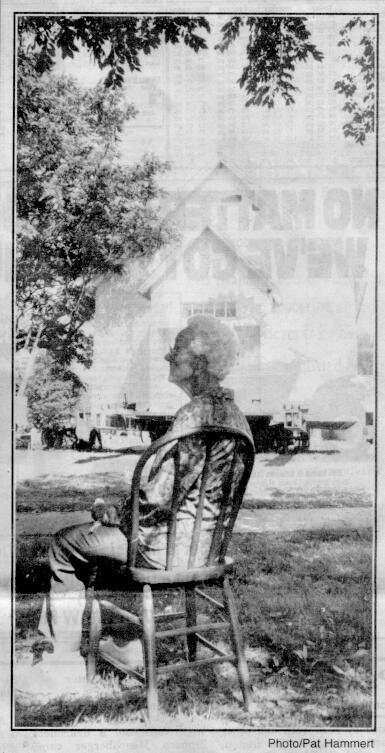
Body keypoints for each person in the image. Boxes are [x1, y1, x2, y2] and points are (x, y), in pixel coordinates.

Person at [16, 315, 253, 698]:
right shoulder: (234, 415)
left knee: (65, 545)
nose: (166, 356)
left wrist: (117, 513)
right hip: (205, 548)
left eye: (175, 350)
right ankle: (128, 647)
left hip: (163, 551)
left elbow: (160, 497)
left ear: (198, 362)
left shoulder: (193, 417)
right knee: (106, 547)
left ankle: (62, 667)